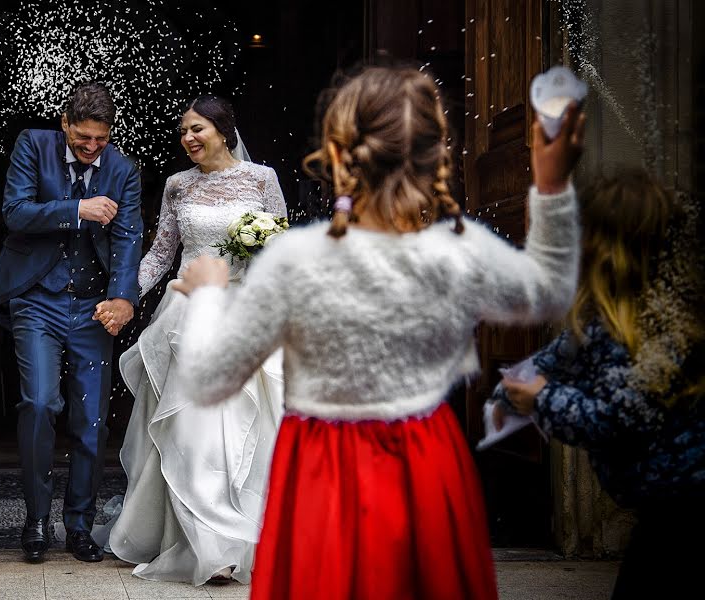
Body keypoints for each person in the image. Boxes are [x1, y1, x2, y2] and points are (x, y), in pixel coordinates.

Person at [171, 65, 585, 600]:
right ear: (437, 157)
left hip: (322, 470)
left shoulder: (296, 261)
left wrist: (207, 295)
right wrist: (551, 187)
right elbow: (550, 290)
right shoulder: (459, 254)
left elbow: (207, 381)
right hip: (427, 461)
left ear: (337, 155)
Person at [94, 95, 287, 585]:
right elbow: (161, 253)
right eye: (183, 131)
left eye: (197, 129)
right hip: (188, 316)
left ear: (224, 130)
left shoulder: (262, 179)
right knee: (192, 429)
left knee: (244, 429)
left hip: (244, 314)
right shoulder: (178, 185)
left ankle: (243, 539)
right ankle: (204, 544)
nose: (189, 139)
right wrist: (123, 296)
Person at [489, 168, 704, 599]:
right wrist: (511, 389)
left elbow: (620, 417)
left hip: (685, 510)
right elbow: (553, 358)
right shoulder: (603, 321)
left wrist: (542, 399)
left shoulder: (661, 328)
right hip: (658, 510)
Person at [0, 82, 143, 563]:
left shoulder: (123, 170)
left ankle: (79, 526)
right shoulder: (33, 144)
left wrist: (123, 298)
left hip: (93, 307)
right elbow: (15, 213)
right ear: (65, 123)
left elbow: (129, 237)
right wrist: (77, 209)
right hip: (37, 301)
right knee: (39, 402)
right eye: (82, 138)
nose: (91, 148)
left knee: (90, 421)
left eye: (101, 139)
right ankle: (35, 520)